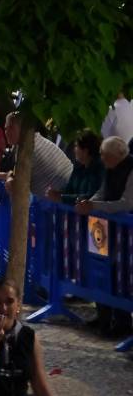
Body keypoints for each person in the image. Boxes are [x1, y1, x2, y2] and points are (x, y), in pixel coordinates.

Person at [74, 135, 133, 339]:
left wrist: (96, 206)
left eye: (105, 155)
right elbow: (102, 191)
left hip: (124, 234)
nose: (102, 159)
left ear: (118, 155)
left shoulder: (130, 169)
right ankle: (104, 315)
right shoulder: (110, 169)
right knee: (100, 268)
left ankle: (122, 321)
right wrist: (89, 203)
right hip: (102, 228)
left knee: (121, 274)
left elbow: (127, 203)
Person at [0, 114, 72, 199]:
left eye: (11, 128)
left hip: (65, 204)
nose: (7, 132)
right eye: (6, 128)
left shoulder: (29, 149)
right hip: (56, 202)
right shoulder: (26, 141)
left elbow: (15, 181)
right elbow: (11, 171)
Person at [46, 133, 103, 204]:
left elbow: (90, 197)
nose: (74, 149)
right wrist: (57, 192)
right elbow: (69, 189)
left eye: (76, 146)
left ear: (85, 151)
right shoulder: (78, 167)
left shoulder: (99, 170)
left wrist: (61, 197)